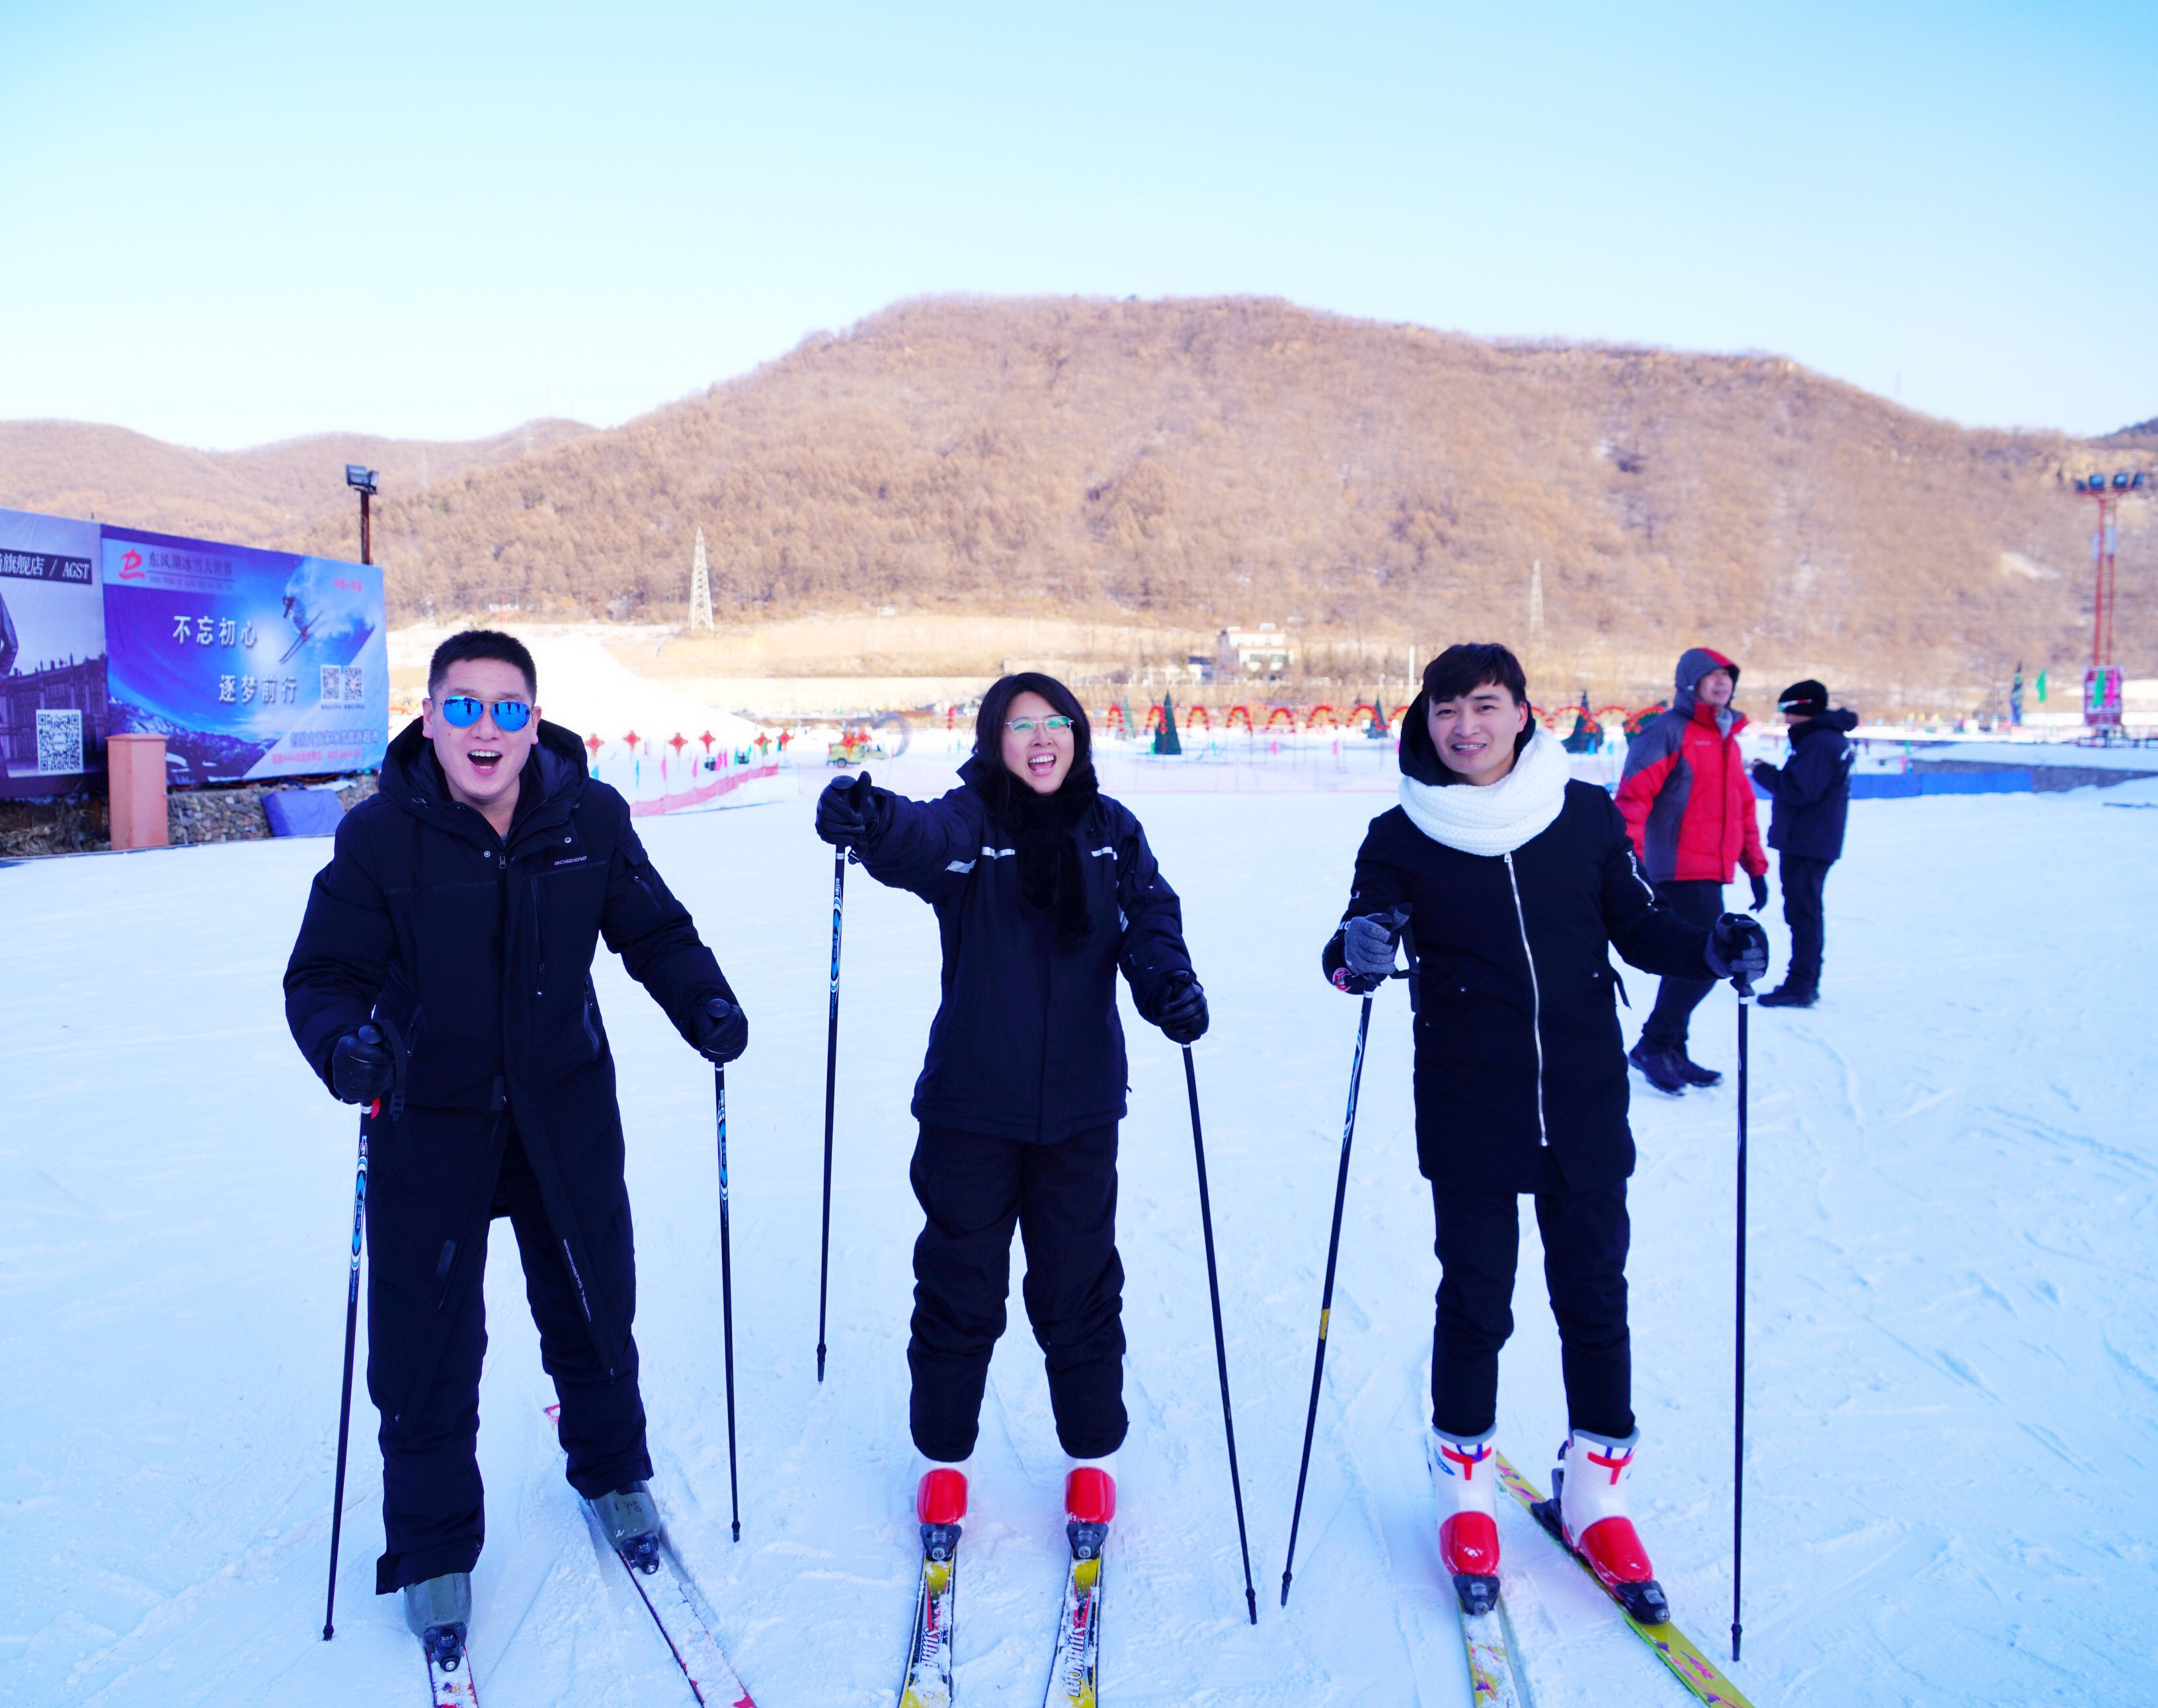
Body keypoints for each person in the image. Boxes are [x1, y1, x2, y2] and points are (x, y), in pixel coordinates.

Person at [284, 630, 747, 1668]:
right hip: (427, 1117)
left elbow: (654, 932)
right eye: (464, 707)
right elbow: (319, 978)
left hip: (563, 1107)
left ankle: (614, 1470)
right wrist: (344, 1050)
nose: (485, 729)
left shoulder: (589, 816)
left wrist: (704, 1001)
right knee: (427, 1340)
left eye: (507, 708)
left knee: (593, 1300)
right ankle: (434, 1545)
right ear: (431, 717)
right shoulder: (379, 839)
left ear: (533, 721)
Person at [1322, 643, 1766, 1622]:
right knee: (1478, 1301)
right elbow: (1363, 935)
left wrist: (1710, 942)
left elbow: (1639, 927)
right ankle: (1465, 1492)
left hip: (1581, 1095)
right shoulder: (1402, 833)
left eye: (1485, 706)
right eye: (1446, 710)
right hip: (1469, 1099)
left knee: (1595, 1297)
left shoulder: (1583, 816)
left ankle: (1597, 1492)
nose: (1465, 728)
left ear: (1524, 713)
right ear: (1425, 721)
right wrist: (1353, 954)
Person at [813, 672, 1207, 1563]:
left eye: (1054, 722)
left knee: (1078, 1289)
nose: (1040, 739)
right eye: (1019, 725)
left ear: (1077, 736)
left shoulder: (1111, 834)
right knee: (958, 1287)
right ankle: (945, 1461)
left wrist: (1167, 981)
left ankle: (1091, 1456)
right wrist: (872, 819)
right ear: (994, 742)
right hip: (969, 1110)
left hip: (1079, 1110)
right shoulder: (972, 825)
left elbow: (1150, 916)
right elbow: (920, 841)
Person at [1615, 646, 1769, 1095]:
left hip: (1711, 867)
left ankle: (1671, 1049)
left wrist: (1755, 867)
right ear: (1690, 683)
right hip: (1674, 867)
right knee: (1705, 961)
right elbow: (1633, 799)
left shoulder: (1726, 740)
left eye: (1727, 676)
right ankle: (1653, 1044)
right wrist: (1630, 862)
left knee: (1692, 961)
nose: (1722, 683)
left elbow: (1742, 807)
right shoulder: (1667, 732)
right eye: (1712, 676)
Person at [1749, 679, 1857, 1008]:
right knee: (1802, 911)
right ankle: (1804, 981)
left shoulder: (1821, 743)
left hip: (1809, 842)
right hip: (1810, 840)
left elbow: (1800, 790)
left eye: (1788, 710)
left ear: (1803, 708)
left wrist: (1764, 773)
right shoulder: (1822, 740)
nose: (1785, 719)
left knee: (1803, 913)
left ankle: (1802, 984)